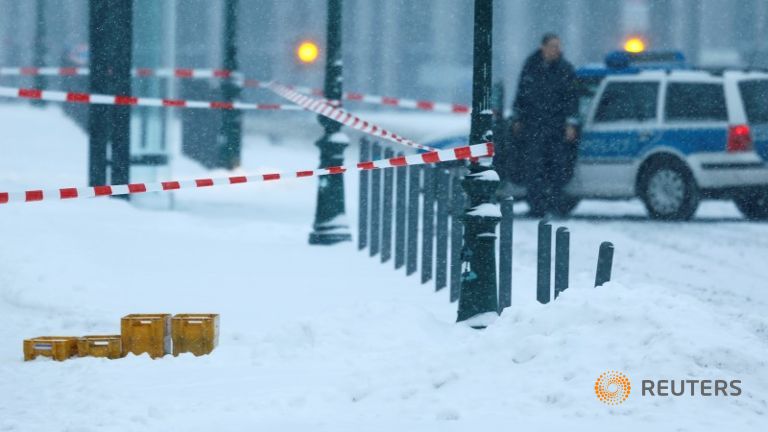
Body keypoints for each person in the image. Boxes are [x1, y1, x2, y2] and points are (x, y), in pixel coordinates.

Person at [509, 33, 579, 216]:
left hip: (556, 127)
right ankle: (536, 207)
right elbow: (522, 94)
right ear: (543, 47)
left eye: (558, 46)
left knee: (557, 168)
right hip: (533, 127)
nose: (557, 50)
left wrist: (571, 123)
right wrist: (517, 118)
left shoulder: (565, 69)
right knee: (534, 168)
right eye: (553, 46)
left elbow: (572, 99)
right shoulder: (531, 67)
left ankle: (555, 206)